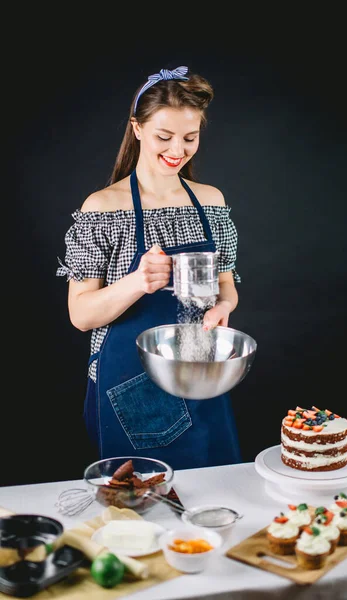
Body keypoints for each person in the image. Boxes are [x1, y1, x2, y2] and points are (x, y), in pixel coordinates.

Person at [57, 65, 242, 470]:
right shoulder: (103, 207)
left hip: (201, 375)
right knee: (143, 506)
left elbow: (227, 285)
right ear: (137, 129)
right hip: (133, 385)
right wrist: (138, 281)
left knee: (216, 495)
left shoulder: (210, 201)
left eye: (189, 137)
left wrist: (224, 306)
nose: (178, 149)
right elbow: (80, 315)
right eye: (164, 136)